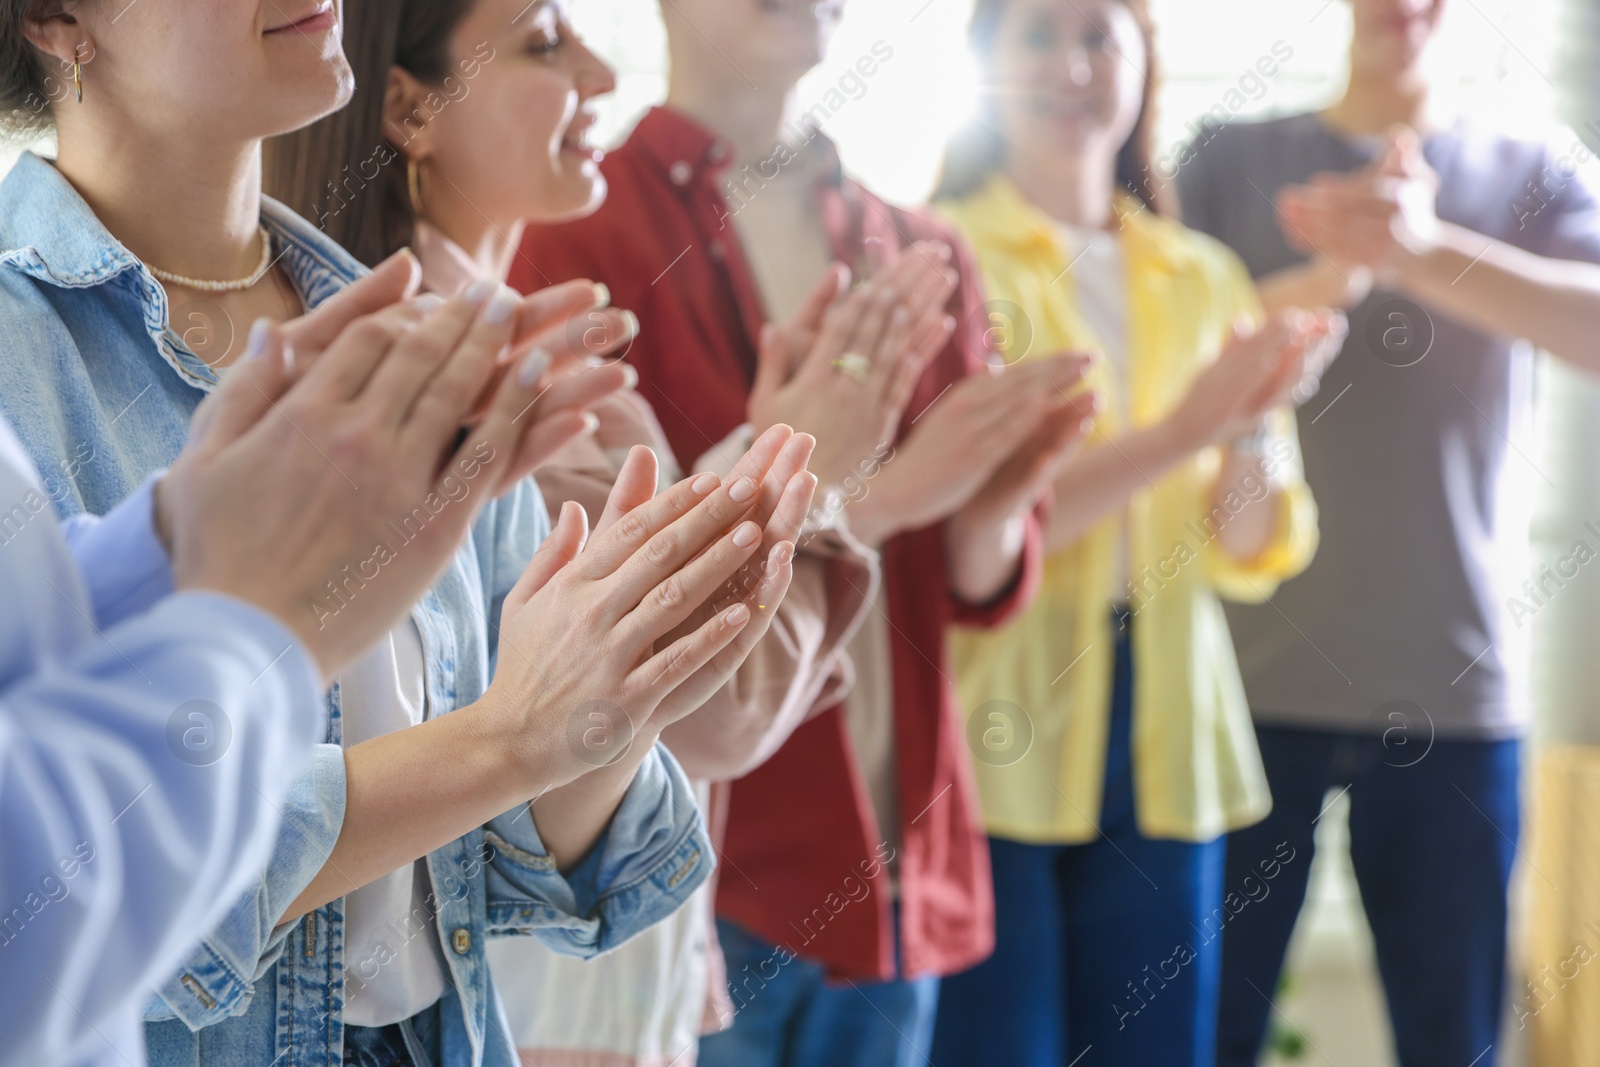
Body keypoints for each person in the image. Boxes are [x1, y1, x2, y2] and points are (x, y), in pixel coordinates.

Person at [0, 2, 818, 1066]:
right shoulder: (20, 363)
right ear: (59, 20)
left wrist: (602, 698)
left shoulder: (416, 334)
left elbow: (521, 870)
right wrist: (504, 739)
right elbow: (62, 891)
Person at [262, 2, 896, 1062]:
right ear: (410, 108)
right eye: (544, 44)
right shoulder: (430, 382)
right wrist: (805, 460)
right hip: (526, 990)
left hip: (585, 957)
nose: (603, 72)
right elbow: (709, 695)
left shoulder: (535, 348)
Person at [515, 2, 1101, 1064]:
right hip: (709, 865)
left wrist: (997, 492)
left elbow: (969, 584)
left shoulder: (920, 248)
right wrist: (877, 491)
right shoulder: (566, 234)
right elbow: (574, 581)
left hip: (895, 864)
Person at [0, 274, 588, 1067]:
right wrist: (260, 627)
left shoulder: (376, 309)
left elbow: (555, 870)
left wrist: (170, 542)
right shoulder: (22, 334)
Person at [1175, 1, 1600, 1064]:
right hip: (1240, 692)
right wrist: (1333, 275)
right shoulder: (1230, 158)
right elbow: (1160, 344)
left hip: (1453, 691)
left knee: (1452, 1041)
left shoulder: (1532, 161)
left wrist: (1421, 251)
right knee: (1202, 1036)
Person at [921, 2, 1339, 1065]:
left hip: (1168, 734)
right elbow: (973, 530)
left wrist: (1252, 419)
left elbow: (1248, 547)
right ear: (985, 62)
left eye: (1100, 36)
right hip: (994, 729)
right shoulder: (938, 256)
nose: (1072, 65)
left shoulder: (1201, 273)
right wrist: (1191, 424)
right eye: (1036, 37)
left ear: (1143, 61)